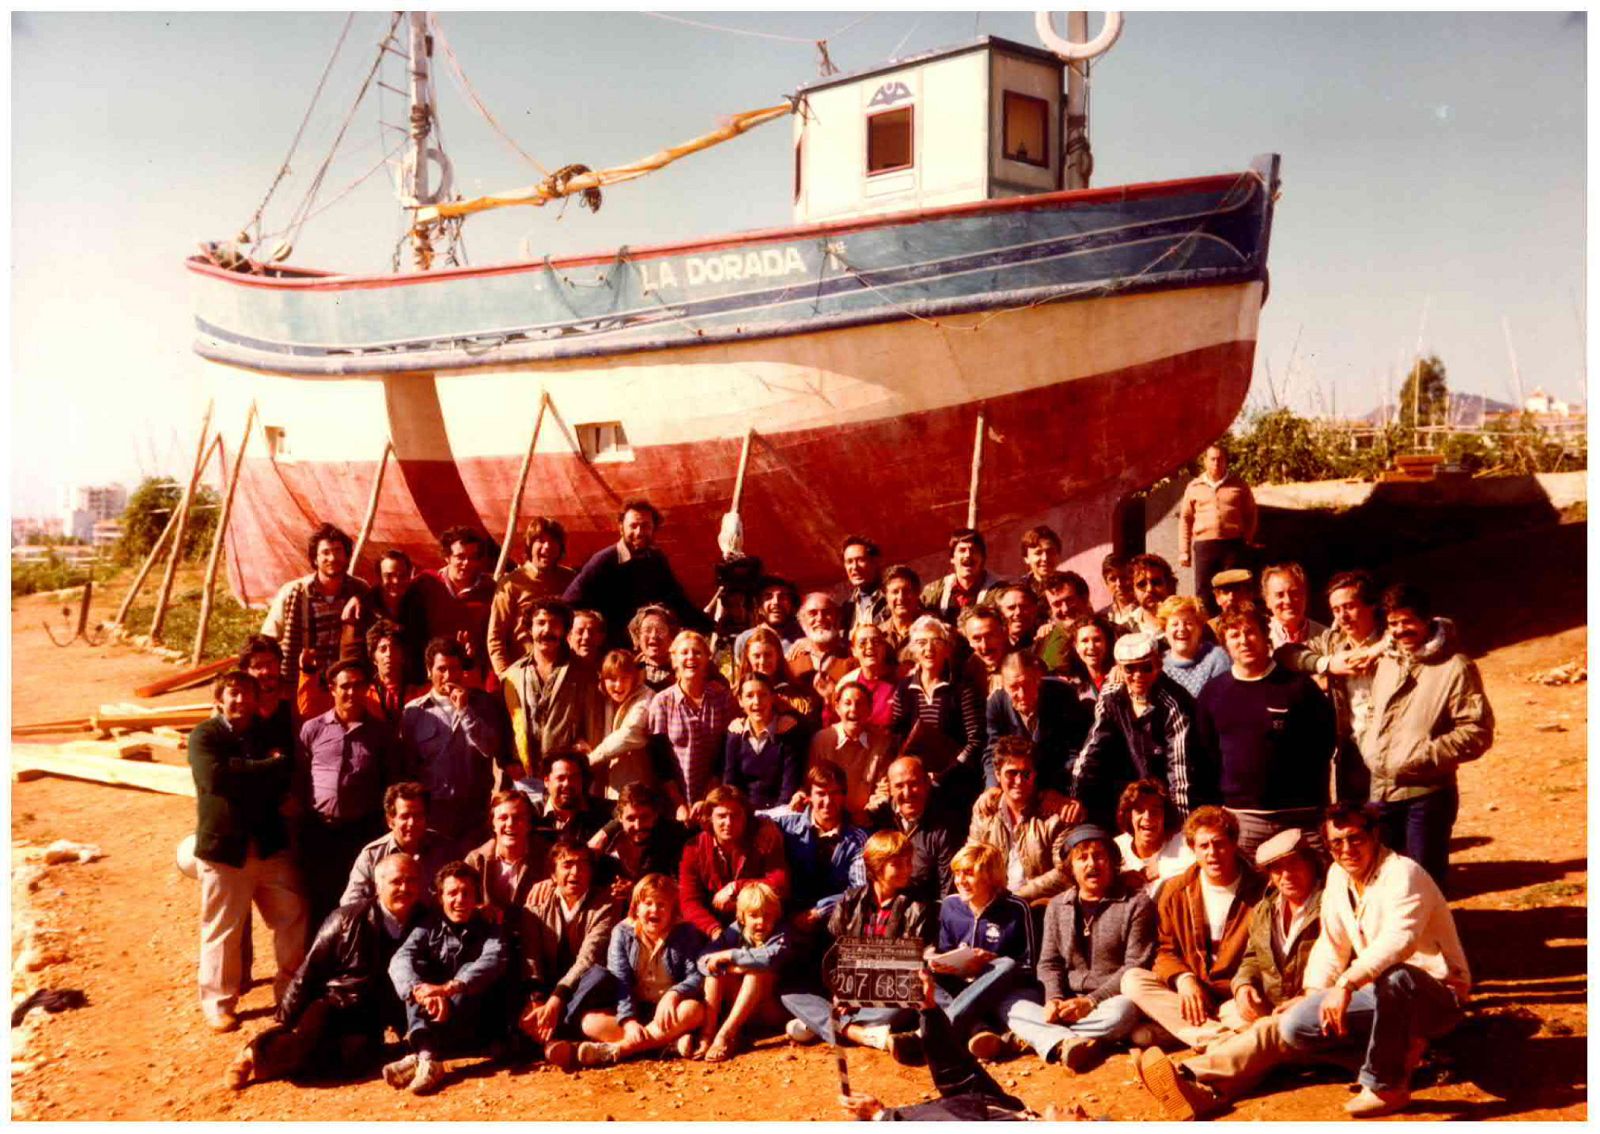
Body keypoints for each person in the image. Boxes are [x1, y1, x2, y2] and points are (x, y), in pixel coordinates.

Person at [1279, 804, 1471, 1117]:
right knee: (1296, 1026)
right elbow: (1332, 944)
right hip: (1378, 991)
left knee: (1396, 977)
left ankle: (1387, 1086)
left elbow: (1399, 941)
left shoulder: (1403, 873)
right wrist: (1313, 992)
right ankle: (1408, 1058)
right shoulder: (1338, 875)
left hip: (1434, 994)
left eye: (1355, 838)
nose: (1347, 850)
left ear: (1375, 835)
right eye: (1337, 843)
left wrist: (1346, 984)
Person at [1133, 828, 1325, 1120]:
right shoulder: (1269, 906)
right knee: (1257, 1036)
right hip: (1266, 1009)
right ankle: (1207, 1093)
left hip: (1315, 1015)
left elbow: (1340, 965)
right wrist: (1244, 984)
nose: (1286, 876)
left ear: (1312, 864)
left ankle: (1187, 1073)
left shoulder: (1329, 905)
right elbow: (1253, 956)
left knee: (1265, 1033)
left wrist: (1310, 997)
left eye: (1294, 865)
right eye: (1277, 869)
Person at [225, 853, 428, 1090]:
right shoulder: (346, 920)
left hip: (370, 1015)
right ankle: (253, 1052)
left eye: (411, 881)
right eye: (396, 881)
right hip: (333, 1004)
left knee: (355, 1062)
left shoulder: (426, 921)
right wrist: (285, 1021)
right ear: (379, 885)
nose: (404, 888)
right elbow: (309, 972)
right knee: (304, 1050)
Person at [189, 671, 309, 1033]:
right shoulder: (205, 736)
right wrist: (265, 768)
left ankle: (289, 991)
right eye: (233, 694)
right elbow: (215, 779)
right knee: (223, 929)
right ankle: (218, 1003)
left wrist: (251, 775)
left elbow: (282, 776)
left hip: (269, 847)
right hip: (226, 850)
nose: (240, 700)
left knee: (293, 915)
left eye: (246, 694)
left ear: (257, 699)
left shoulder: (268, 733)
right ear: (219, 700)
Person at [1360, 584, 1494, 888]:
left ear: (1426, 620)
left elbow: (1477, 731)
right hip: (1381, 794)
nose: (1400, 631)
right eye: (1393, 624)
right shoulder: (1388, 662)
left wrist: (1419, 756)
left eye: (1407, 622)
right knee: (1384, 884)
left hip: (1426, 798)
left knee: (1424, 886)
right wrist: (1370, 746)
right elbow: (1373, 711)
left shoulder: (1455, 667)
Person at [1005, 825, 1156, 1070]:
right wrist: (1053, 999)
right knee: (1014, 1005)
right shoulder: (1057, 906)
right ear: (1071, 868)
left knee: (1123, 1012)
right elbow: (1049, 963)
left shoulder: (1136, 904)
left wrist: (1090, 1002)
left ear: (1112, 863)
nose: (1091, 864)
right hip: (1066, 1003)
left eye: (1099, 856)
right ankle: (1069, 1041)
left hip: (1108, 1001)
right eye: (1082, 858)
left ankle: (1040, 1037)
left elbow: (1135, 966)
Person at [1195, 605, 1336, 858]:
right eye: (1234, 635)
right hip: (1243, 820)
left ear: (1264, 635)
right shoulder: (1213, 693)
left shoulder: (1299, 687)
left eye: (1250, 632)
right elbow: (1207, 755)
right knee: (1245, 884)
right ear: (1225, 644)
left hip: (1301, 817)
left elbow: (1324, 745)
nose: (1244, 641)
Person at [781, 831, 934, 1064]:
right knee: (791, 991)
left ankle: (826, 1025)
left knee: (905, 1005)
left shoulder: (919, 905)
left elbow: (906, 965)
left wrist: (858, 996)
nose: (907, 869)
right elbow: (834, 954)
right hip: (850, 993)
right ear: (875, 867)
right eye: (897, 864)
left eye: (908, 862)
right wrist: (842, 991)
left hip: (890, 993)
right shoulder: (850, 900)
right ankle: (862, 1034)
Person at [1119, 807, 1265, 1052]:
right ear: (1192, 849)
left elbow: (1266, 954)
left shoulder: (1261, 889)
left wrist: (1244, 985)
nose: (1212, 853)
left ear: (1233, 844)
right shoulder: (1176, 890)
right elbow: (1163, 949)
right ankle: (1223, 1041)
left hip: (1237, 993)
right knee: (1133, 980)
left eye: (1219, 844)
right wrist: (1184, 979)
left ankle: (1196, 1034)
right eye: (1204, 846)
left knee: (1255, 1019)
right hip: (1192, 992)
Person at [294, 659, 405, 928]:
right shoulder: (312, 729)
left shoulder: (380, 733)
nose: (351, 692)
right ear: (333, 689)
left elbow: (391, 783)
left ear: (367, 689)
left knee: (360, 902)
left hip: (361, 832)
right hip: (320, 831)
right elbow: (300, 776)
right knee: (319, 901)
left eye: (358, 686)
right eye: (345, 686)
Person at [385, 861, 509, 1094]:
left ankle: (423, 1055)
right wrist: (420, 991)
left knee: (469, 971)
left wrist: (448, 989)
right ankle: (426, 1056)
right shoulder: (428, 926)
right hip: (436, 1015)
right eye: (452, 893)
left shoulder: (490, 926)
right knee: (416, 973)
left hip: (475, 1021)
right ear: (440, 897)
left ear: (476, 897)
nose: (460, 900)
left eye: (466, 893)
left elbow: (493, 960)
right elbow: (400, 959)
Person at [1067, 632, 1202, 829]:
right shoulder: (1111, 695)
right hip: (1131, 795)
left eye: (1146, 667)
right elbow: (1092, 749)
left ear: (1158, 665)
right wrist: (1074, 798)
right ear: (1119, 668)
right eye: (1130, 668)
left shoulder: (1174, 704)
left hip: (1169, 798)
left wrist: (1179, 826)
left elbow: (1180, 772)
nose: (1138, 675)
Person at [1276, 569, 1386, 805]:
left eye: (1349, 607)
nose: (1343, 617)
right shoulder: (1333, 643)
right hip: (1353, 754)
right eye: (1336, 610)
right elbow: (1285, 653)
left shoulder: (1394, 638)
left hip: (1394, 749)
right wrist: (1327, 664)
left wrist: (1380, 648)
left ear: (1371, 606)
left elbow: (1439, 627)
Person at [575, 873, 709, 1066]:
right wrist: (628, 1021)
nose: (654, 910)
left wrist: (674, 994)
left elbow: (696, 976)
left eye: (662, 905)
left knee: (694, 1010)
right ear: (636, 907)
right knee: (590, 1023)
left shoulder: (685, 932)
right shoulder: (622, 932)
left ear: (672, 910)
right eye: (648, 903)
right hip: (636, 1009)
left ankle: (618, 1050)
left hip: (669, 1012)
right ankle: (666, 1044)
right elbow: (620, 981)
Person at [514, 839, 620, 1065]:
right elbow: (531, 958)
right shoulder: (536, 906)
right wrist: (537, 1000)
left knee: (600, 975)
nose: (575, 872)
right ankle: (551, 1031)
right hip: (546, 986)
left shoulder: (606, 905)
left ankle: (551, 1034)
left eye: (582, 865)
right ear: (553, 875)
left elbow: (588, 958)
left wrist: (556, 1000)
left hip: (580, 987)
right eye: (567, 865)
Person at [401, 637, 507, 854]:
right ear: (429, 671)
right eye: (442, 669)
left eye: (454, 668)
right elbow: (408, 766)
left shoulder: (483, 703)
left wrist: (465, 711)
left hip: (475, 813)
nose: (449, 676)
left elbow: (490, 747)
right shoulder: (414, 712)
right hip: (434, 813)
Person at [931, 842, 1036, 1057]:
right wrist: (942, 965)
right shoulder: (950, 905)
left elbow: (1030, 966)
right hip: (962, 985)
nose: (960, 881)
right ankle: (980, 1030)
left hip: (1001, 988)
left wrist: (991, 963)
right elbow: (945, 952)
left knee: (1005, 964)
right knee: (924, 974)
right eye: (957, 873)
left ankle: (941, 1029)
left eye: (968, 874)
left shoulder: (1016, 908)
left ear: (990, 876)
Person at [562, 499, 706, 649]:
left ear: (654, 529)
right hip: (610, 650)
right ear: (621, 528)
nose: (639, 532)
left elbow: (677, 601)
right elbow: (569, 603)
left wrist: (709, 626)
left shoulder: (656, 559)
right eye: (633, 526)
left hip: (644, 646)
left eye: (645, 526)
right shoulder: (603, 561)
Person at [502, 597, 607, 783]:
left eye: (554, 624)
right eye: (540, 623)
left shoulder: (584, 674)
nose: (547, 630)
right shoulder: (513, 675)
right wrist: (505, 761)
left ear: (565, 630)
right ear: (529, 628)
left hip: (567, 779)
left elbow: (594, 727)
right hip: (524, 777)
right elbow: (502, 725)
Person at [262, 523, 372, 694]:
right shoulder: (294, 592)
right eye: (325, 552)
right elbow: (268, 639)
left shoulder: (360, 590)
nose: (332, 558)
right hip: (302, 685)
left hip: (345, 688)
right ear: (315, 559)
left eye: (338, 551)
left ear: (347, 556)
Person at [891, 614, 985, 810]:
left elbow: (976, 741)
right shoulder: (904, 688)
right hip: (915, 785)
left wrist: (942, 776)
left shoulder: (962, 688)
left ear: (947, 648)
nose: (929, 648)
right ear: (913, 650)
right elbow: (898, 737)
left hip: (957, 784)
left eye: (936, 641)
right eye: (921, 642)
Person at [967, 737, 1072, 903]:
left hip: (1038, 907)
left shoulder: (1055, 818)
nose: (1019, 781)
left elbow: (1064, 872)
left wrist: (1015, 899)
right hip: (992, 904)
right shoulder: (985, 812)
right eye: (1011, 773)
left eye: (1026, 774)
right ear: (997, 775)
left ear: (1035, 775)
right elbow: (972, 861)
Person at [694, 881, 791, 1062]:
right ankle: (708, 1033)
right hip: (739, 1006)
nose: (761, 922)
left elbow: (769, 958)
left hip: (769, 1007)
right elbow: (704, 959)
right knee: (714, 972)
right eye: (754, 916)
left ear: (776, 916)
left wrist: (730, 956)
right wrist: (727, 966)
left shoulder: (781, 933)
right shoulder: (735, 930)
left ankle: (725, 1035)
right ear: (742, 917)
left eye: (767, 916)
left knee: (756, 972)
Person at [764, 760, 869, 924]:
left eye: (835, 793)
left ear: (844, 796)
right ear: (808, 797)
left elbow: (860, 889)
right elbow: (752, 815)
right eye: (821, 794)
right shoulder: (788, 823)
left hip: (835, 920)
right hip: (785, 916)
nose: (828, 801)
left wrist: (821, 911)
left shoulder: (857, 839)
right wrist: (764, 824)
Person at [678, 785, 790, 938]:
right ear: (710, 817)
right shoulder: (694, 848)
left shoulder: (763, 839)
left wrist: (736, 887)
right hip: (712, 928)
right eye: (721, 816)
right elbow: (689, 901)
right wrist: (714, 930)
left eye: (735, 815)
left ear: (746, 817)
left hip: (761, 924)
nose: (729, 822)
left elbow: (780, 883)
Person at [648, 629, 739, 817]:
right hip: (673, 805)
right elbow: (660, 760)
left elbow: (726, 752)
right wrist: (679, 804)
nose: (691, 657)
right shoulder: (662, 702)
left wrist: (707, 798)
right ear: (674, 660)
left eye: (697, 652)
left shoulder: (722, 698)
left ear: (707, 658)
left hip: (714, 801)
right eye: (684, 652)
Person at [400, 526, 498, 688]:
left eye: (473, 557)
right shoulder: (426, 583)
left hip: (472, 678)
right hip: (430, 679)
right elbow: (394, 600)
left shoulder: (490, 590)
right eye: (460, 557)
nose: (467, 563)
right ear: (447, 557)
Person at [984, 650, 1092, 795]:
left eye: (1027, 684)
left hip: (1060, 781)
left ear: (1038, 679)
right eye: (1014, 687)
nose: (1022, 694)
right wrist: (992, 786)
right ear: (1003, 686)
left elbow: (1075, 750)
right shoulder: (996, 703)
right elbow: (993, 750)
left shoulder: (1062, 695)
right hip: (1017, 783)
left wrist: (1054, 791)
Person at [865, 756, 962, 906]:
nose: (907, 793)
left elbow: (948, 892)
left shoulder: (945, 826)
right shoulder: (879, 818)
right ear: (889, 789)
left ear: (927, 783)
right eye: (899, 786)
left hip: (924, 909)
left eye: (914, 784)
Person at [488, 516, 577, 678]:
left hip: (563, 673)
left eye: (553, 541)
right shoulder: (511, 584)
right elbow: (496, 637)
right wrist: (505, 677)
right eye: (540, 541)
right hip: (523, 674)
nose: (547, 547)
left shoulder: (570, 579)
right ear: (529, 545)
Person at [341, 782, 456, 907]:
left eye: (418, 816)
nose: (411, 823)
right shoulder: (372, 855)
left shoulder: (445, 850)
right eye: (405, 816)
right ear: (390, 821)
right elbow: (350, 903)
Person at [1179, 444, 1258, 613]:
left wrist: (1248, 538)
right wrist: (1184, 551)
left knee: (1233, 589)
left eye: (1220, 459)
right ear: (1205, 461)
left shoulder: (1239, 484)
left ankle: (1234, 622)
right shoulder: (1194, 487)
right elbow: (1185, 519)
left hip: (1232, 545)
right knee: (1204, 590)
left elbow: (1251, 514)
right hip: (1205, 546)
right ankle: (1207, 626)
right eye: (1212, 459)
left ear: (1226, 461)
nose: (1216, 463)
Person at [715, 672, 806, 811]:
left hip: (781, 813)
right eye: (749, 696)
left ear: (772, 698)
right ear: (740, 701)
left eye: (763, 695)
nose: (756, 702)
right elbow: (730, 785)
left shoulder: (788, 734)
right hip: (743, 815)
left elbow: (789, 787)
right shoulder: (735, 737)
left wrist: (772, 817)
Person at [591, 783, 690, 903]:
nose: (638, 826)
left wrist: (637, 890)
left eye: (645, 817)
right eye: (630, 819)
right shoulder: (611, 840)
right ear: (620, 818)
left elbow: (681, 889)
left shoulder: (675, 839)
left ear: (655, 815)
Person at [811, 682, 892, 826]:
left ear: (870, 709)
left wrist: (868, 812)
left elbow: (883, 790)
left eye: (860, 704)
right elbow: (811, 783)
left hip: (866, 822)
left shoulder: (882, 743)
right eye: (847, 703)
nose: (854, 709)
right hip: (828, 819)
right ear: (837, 707)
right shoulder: (822, 740)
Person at [465, 790, 553, 917]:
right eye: (503, 818)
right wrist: (477, 910)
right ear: (493, 824)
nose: (510, 824)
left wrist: (554, 884)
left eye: (518, 818)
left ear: (528, 824)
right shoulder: (476, 860)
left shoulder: (546, 857)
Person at [585, 648, 655, 798]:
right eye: (612, 679)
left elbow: (628, 734)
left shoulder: (646, 697)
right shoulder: (601, 699)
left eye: (624, 678)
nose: (618, 685)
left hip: (633, 790)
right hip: (601, 788)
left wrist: (588, 760)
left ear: (634, 678)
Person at [1113, 779, 1195, 896]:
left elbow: (1203, 865)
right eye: (1139, 810)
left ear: (1165, 816)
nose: (1147, 817)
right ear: (1129, 815)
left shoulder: (1183, 843)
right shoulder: (1116, 847)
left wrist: (1163, 868)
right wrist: (1119, 880)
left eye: (1155, 811)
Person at [739, 623, 820, 724]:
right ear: (748, 658)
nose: (762, 661)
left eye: (768, 655)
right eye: (757, 656)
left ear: (778, 656)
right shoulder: (738, 695)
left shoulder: (797, 694)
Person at [922, 527, 1003, 626]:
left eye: (973, 550)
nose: (968, 555)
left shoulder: (1000, 592)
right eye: (962, 550)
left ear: (983, 558)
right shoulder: (934, 592)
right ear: (952, 558)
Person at [786, 591, 853, 710]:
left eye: (827, 612)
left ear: (837, 618)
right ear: (802, 621)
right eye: (812, 613)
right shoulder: (791, 660)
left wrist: (832, 696)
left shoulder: (852, 656)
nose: (820, 618)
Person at [530, 749, 613, 841]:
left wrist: (605, 833)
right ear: (546, 781)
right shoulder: (532, 813)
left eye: (574, 778)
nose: (567, 784)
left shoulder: (601, 810)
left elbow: (623, 809)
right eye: (561, 778)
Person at [1159, 596, 1231, 700]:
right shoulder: (1158, 664)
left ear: (1199, 629)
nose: (1181, 629)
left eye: (1188, 623)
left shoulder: (1217, 658)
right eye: (1175, 624)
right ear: (1165, 630)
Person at [831, 621, 898, 728]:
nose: (870, 646)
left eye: (876, 642)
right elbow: (835, 725)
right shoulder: (846, 682)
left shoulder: (899, 681)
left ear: (884, 648)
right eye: (862, 643)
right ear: (854, 651)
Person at [238, 635, 295, 752]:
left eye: (271, 664)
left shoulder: (295, 696)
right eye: (258, 666)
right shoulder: (237, 700)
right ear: (245, 670)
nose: (266, 671)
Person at [1033, 570, 1094, 675]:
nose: (1065, 609)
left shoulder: (1110, 632)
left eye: (1070, 600)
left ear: (1084, 598)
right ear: (1050, 610)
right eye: (1057, 604)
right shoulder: (1044, 642)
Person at [732, 576, 803, 661]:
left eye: (782, 597)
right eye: (768, 597)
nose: (776, 602)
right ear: (759, 606)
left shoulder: (804, 636)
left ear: (792, 605)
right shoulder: (745, 640)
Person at [1261, 562, 1328, 650]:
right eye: (1280, 595)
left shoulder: (1327, 638)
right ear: (1267, 601)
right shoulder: (1261, 638)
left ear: (1305, 596)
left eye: (1294, 593)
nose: (1288, 601)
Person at [365, 620, 414, 728]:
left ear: (403, 656)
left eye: (395, 648)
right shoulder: (365, 695)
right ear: (373, 658)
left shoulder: (418, 692)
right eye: (383, 649)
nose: (389, 654)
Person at [959, 605, 1012, 702]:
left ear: (1004, 633)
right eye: (976, 639)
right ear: (968, 641)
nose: (985, 646)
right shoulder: (966, 672)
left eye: (990, 636)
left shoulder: (1023, 666)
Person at [1060, 614, 1120, 700]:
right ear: (1076, 646)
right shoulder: (1069, 684)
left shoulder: (1120, 676)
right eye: (1085, 641)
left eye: (1097, 640)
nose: (1091, 646)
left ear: (1107, 643)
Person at [839, 535, 888, 634]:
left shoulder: (891, 599)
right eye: (849, 562)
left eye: (861, 560)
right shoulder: (847, 609)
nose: (854, 567)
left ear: (875, 562)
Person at [877, 563, 925, 662]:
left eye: (907, 591)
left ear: (917, 593)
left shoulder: (930, 630)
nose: (901, 598)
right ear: (885, 596)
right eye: (895, 592)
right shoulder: (878, 635)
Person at [629, 603, 680, 692]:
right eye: (647, 630)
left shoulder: (682, 670)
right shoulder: (629, 670)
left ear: (671, 635)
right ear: (638, 636)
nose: (653, 636)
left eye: (660, 630)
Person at [1124, 553, 1178, 637]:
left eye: (1156, 582)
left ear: (1169, 585)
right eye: (1142, 584)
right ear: (1133, 590)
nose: (1150, 589)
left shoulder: (1183, 625)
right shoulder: (1125, 628)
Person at [1018, 524, 1064, 603]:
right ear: (1026, 558)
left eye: (1050, 552)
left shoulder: (1071, 586)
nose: (1045, 558)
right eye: (1038, 553)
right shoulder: (1019, 590)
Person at [1207, 569, 1257, 640]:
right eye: (1226, 592)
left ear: (1249, 594)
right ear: (1217, 598)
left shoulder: (1263, 624)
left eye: (1237, 590)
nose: (1231, 597)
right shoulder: (1209, 629)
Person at [995, 582, 1043, 652]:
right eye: (1011, 608)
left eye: (1024, 607)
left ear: (1034, 609)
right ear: (1000, 612)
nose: (1018, 612)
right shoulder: (992, 643)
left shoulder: (1044, 638)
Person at [1097, 552, 1139, 628]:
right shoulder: (1102, 618)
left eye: (1124, 577)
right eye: (1113, 579)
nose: (1119, 584)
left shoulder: (1147, 612)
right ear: (1106, 583)